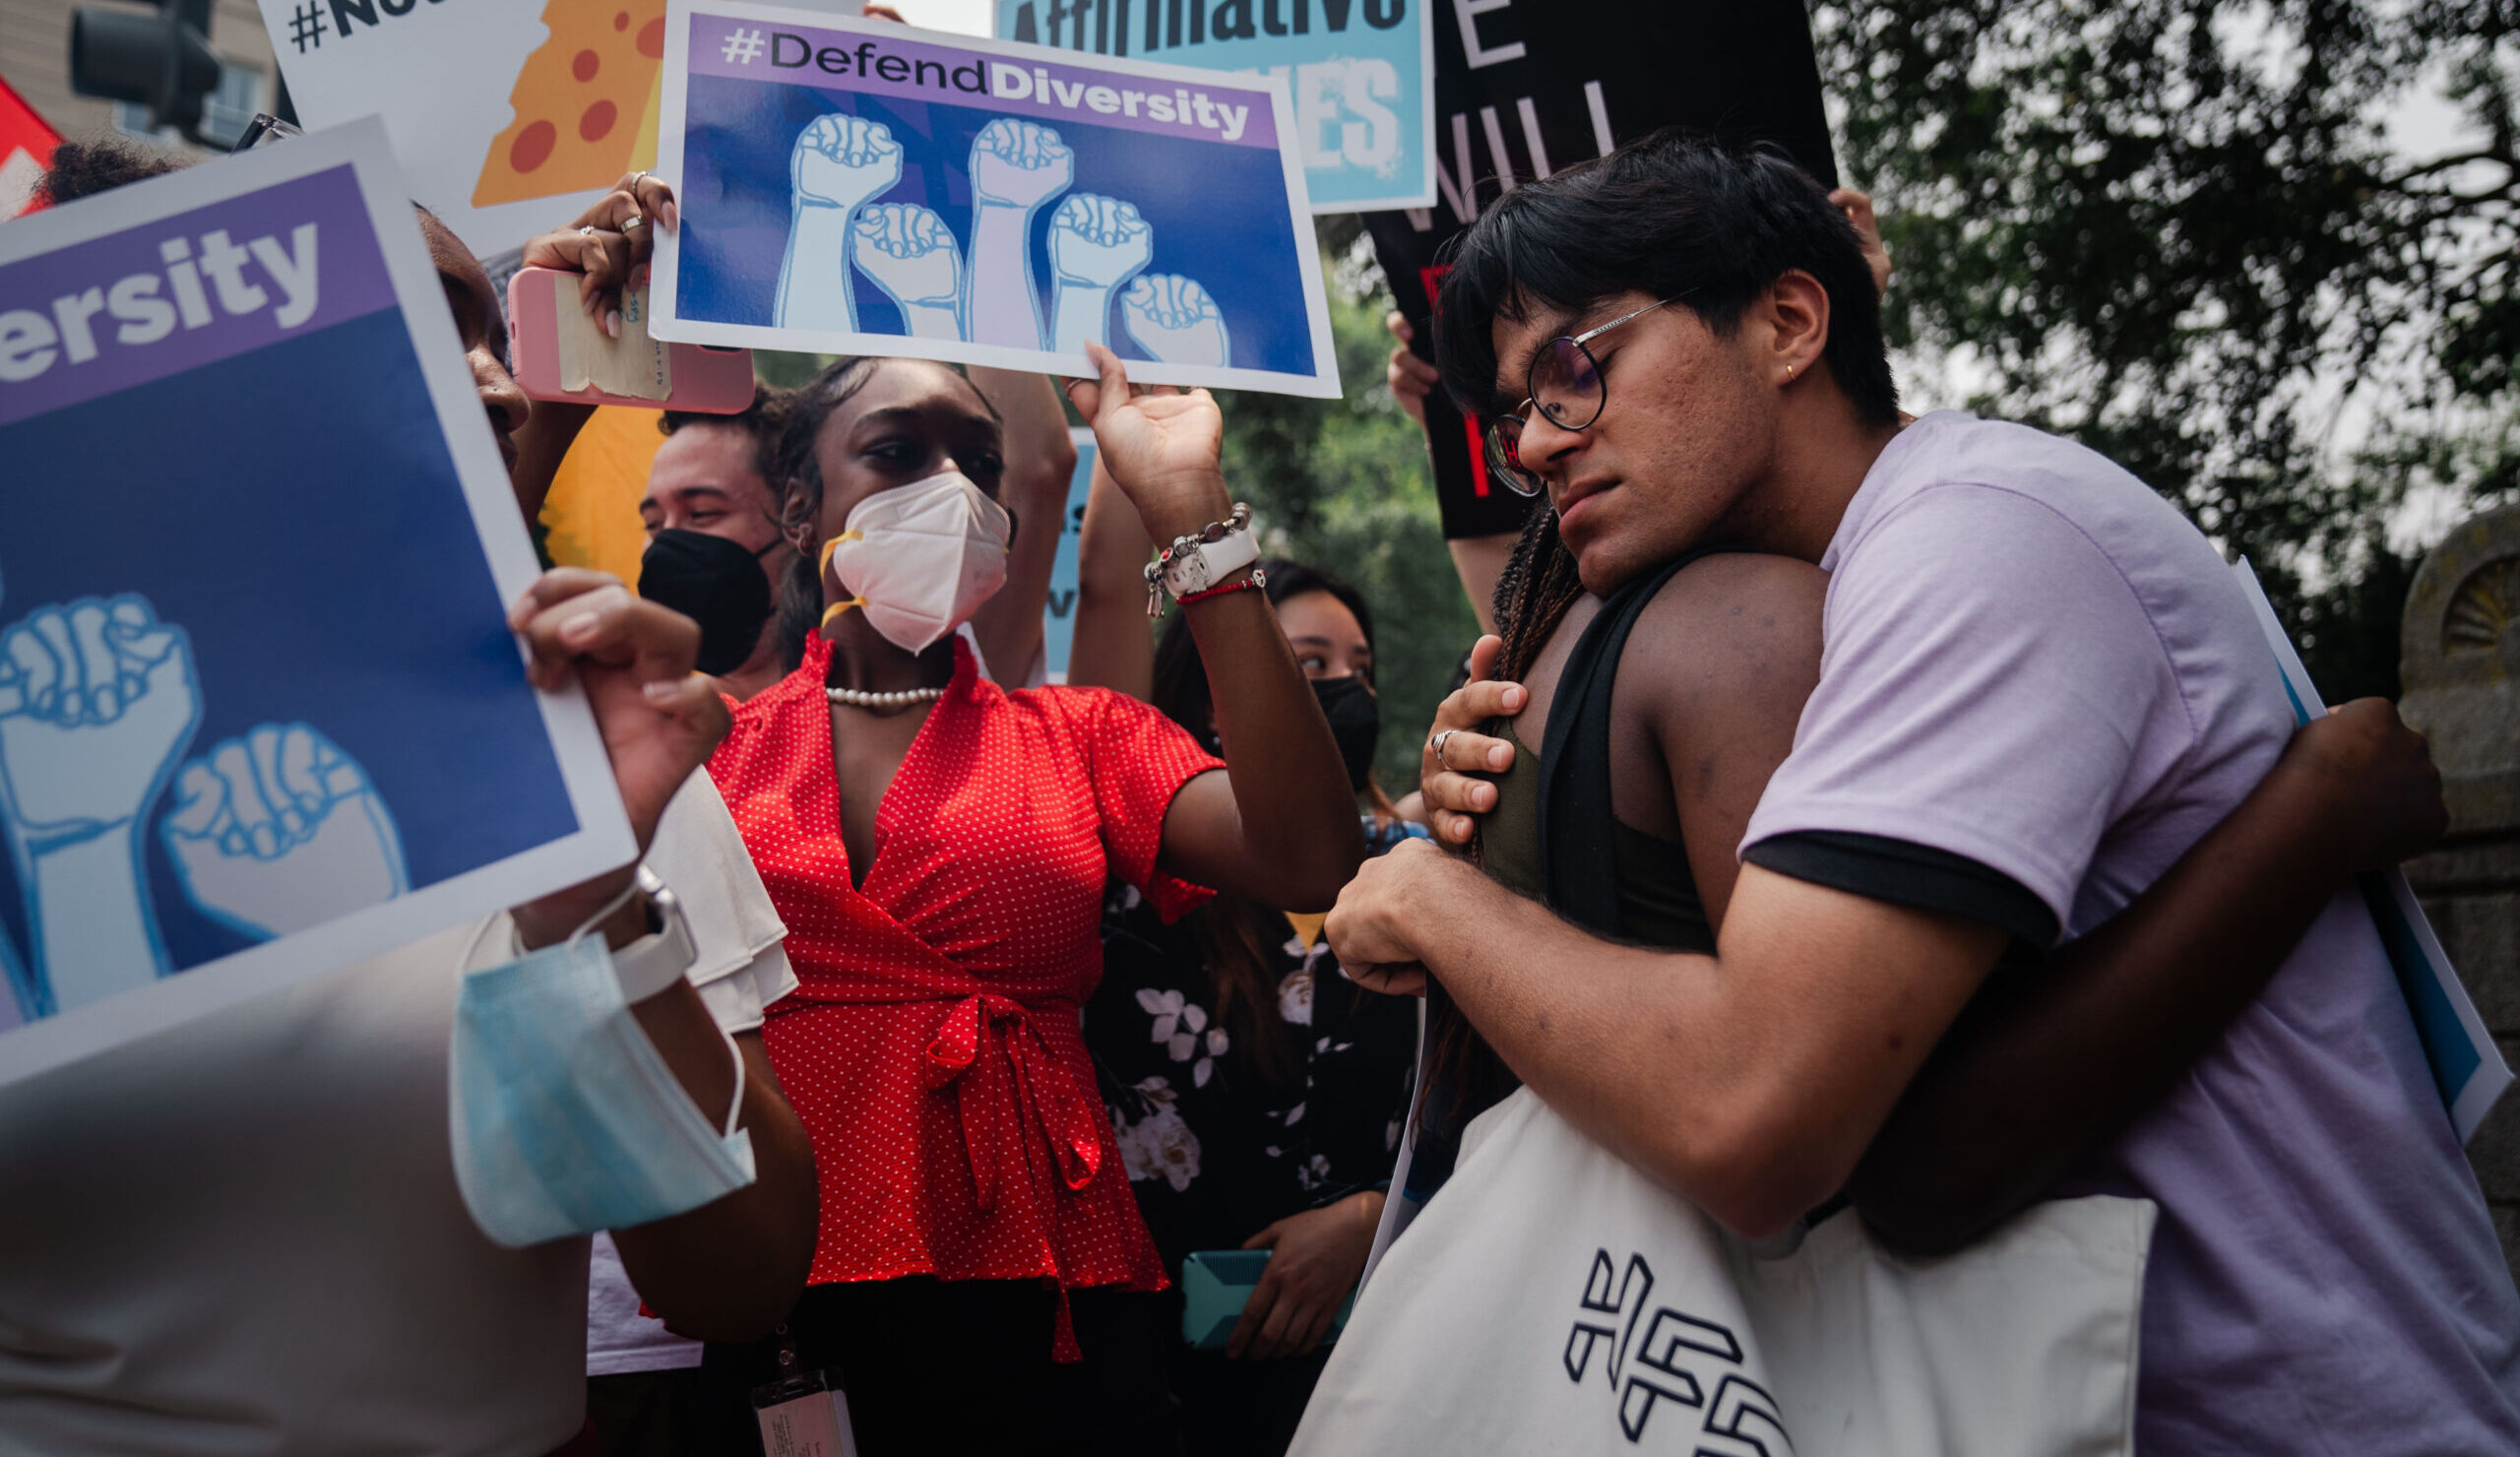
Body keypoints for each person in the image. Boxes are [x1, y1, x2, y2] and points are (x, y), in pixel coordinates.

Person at [1328, 130, 2520, 1452]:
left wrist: (1440, 905)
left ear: (1786, 322)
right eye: (1513, 418)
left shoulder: (1978, 543)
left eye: (1573, 373)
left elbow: (1765, 1115)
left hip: (2306, 1405)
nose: (1538, 450)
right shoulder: (1841, 581)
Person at [0, 145, 818, 1454]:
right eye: (409, 339)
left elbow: (737, 1279)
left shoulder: (602, 746)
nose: (498, 390)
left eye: (493, 348)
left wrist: (594, 912)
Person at [693, 344, 1363, 1454]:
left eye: (980, 461)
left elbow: (1308, 858)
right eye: (898, 452)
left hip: (1052, 1310)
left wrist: (1190, 508)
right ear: (803, 510)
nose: (951, 488)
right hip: (779, 1299)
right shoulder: (703, 747)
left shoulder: (1080, 735)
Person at [1074, 554, 1420, 1457]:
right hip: (1169, 1391)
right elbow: (1104, 589)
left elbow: (1498, 1108)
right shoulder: (1132, 885)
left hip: (1396, 1368)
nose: (1345, 690)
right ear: (1208, 698)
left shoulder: (1428, 875)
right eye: (1307, 666)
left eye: (1359, 669)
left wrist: (1371, 1218)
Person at [1384, 188, 1894, 635]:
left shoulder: (1941, 559)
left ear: (1787, 325)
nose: (1535, 448)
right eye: (1523, 414)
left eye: (1586, 366)